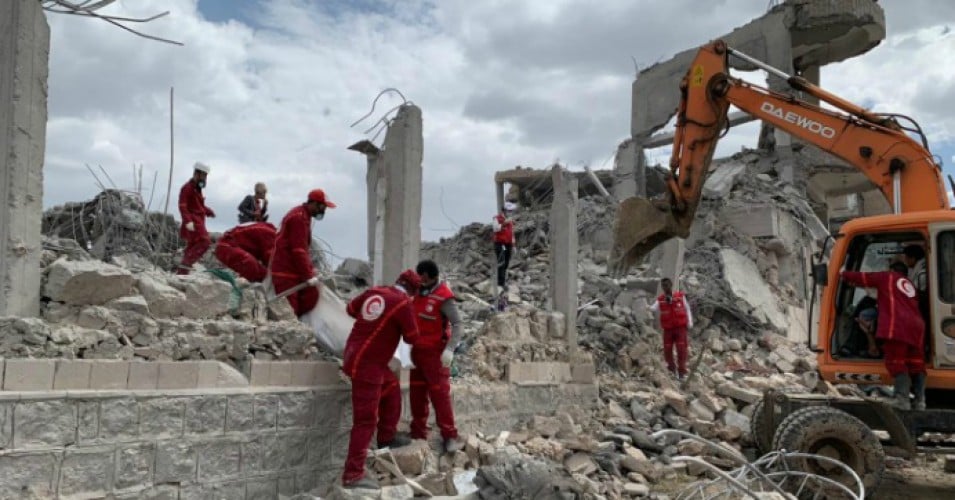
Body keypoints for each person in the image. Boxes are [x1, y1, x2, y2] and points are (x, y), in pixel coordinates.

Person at [340, 269, 421, 490]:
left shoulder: (374, 292)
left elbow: (350, 309)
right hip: (368, 367)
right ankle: (353, 474)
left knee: (392, 389)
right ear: (413, 291)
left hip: (353, 356)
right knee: (365, 421)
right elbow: (412, 337)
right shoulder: (403, 303)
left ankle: (387, 437)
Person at [841, 261, 926, 410]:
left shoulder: (887, 277)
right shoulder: (910, 286)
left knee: (896, 361)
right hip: (917, 326)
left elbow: (864, 277)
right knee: (915, 363)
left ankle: (901, 399)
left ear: (891, 270)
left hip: (898, 325)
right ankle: (920, 401)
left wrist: (843, 273)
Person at [410, 259, 465, 452]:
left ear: (430, 276)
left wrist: (450, 349)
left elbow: (458, 325)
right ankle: (418, 433)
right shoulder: (416, 292)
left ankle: (450, 436)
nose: (421, 282)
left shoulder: (444, 297)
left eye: (423, 278)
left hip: (435, 355)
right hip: (416, 353)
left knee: (439, 395)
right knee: (416, 394)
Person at [270, 189, 335, 316]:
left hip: (292, 271)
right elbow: (298, 250)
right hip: (286, 272)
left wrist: (310, 271)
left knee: (311, 296)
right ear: (315, 204)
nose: (323, 211)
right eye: (322, 207)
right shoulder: (298, 218)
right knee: (290, 312)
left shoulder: (305, 216)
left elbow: (303, 249)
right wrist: (308, 276)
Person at [649, 278, 693, 380]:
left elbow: (687, 309)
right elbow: (653, 308)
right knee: (667, 350)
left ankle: (682, 372)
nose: (665, 288)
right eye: (663, 286)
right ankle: (672, 371)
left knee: (681, 350)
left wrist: (690, 322)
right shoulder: (660, 299)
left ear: (671, 285)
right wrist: (646, 307)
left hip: (680, 328)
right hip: (668, 329)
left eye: (667, 285)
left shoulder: (680, 296)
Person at [176, 162, 216, 275]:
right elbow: (182, 205)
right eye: (203, 175)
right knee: (205, 241)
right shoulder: (187, 188)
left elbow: (198, 205)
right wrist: (188, 221)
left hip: (199, 220)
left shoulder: (197, 189)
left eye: (205, 176)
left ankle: (182, 272)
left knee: (192, 246)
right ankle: (186, 264)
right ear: (196, 174)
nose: (204, 178)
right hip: (193, 221)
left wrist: (208, 211)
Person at [492, 203, 516, 290]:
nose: (511, 212)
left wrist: (513, 245)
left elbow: (511, 233)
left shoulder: (510, 221)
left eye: (511, 211)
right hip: (500, 244)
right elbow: (495, 228)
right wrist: (504, 223)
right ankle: (500, 284)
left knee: (506, 263)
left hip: (508, 244)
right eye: (509, 211)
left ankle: (502, 281)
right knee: (501, 263)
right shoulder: (497, 218)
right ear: (504, 210)